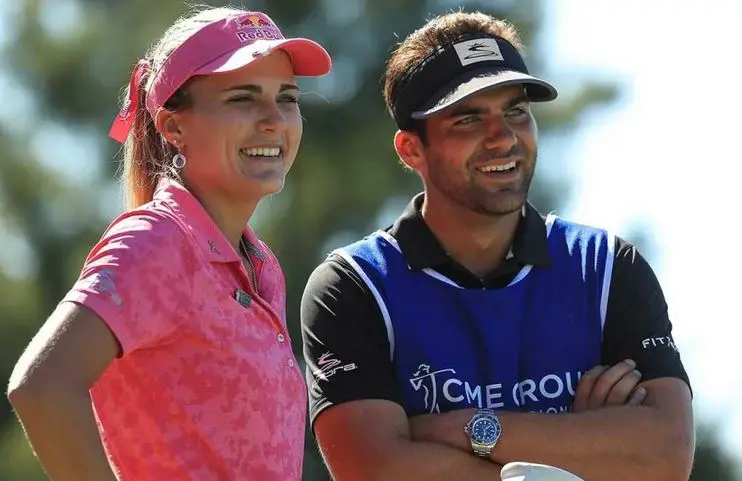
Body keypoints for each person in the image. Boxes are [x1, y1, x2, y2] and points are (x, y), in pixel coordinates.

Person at [300, 11, 694, 481]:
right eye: (468, 119)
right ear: (411, 150)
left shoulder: (608, 267)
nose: (503, 137)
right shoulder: (353, 287)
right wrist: (583, 445)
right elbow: (377, 469)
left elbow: (666, 456)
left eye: (515, 112)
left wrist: (467, 428)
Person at [7, 6, 331, 481]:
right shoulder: (157, 241)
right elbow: (42, 388)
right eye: (243, 98)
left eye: (287, 98)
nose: (273, 119)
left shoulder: (262, 265)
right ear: (173, 127)